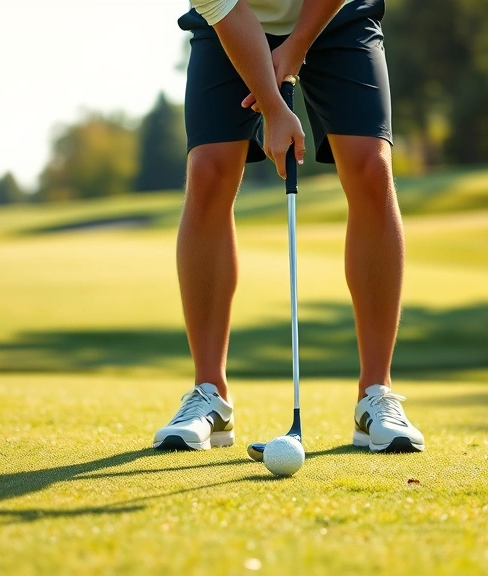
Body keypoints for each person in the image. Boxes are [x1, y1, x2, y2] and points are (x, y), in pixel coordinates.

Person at [153, 0, 424, 453]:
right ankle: (210, 396)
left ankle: (375, 395)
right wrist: (275, 106)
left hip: (336, 16)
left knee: (370, 168)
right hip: (230, 24)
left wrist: (296, 47)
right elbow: (227, 10)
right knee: (208, 173)